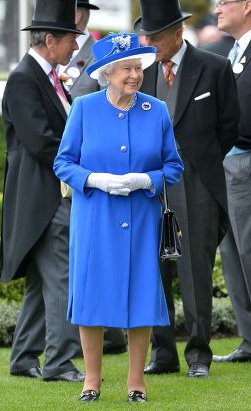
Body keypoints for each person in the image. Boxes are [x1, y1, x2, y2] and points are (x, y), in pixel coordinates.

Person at [53, 32, 184, 402]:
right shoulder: (84, 108)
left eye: (138, 67)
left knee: (141, 298)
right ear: (107, 73)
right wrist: (95, 179)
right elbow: (63, 163)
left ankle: (136, 383)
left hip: (141, 219)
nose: (135, 75)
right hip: (94, 217)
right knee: (92, 298)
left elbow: (174, 166)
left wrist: (147, 179)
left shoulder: (155, 110)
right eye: (126, 68)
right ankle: (91, 381)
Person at [134, 0, 240, 377]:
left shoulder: (214, 67)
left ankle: (198, 357)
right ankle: (163, 355)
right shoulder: (142, 74)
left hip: (197, 183)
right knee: (154, 271)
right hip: (151, 187)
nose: (150, 41)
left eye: (156, 35)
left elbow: (228, 126)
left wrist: (198, 161)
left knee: (195, 273)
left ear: (177, 33)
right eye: (146, 34)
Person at [0, 0, 86, 382]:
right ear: (50, 40)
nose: (76, 46)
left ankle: (23, 358)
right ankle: (59, 362)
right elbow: (41, 142)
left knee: (41, 280)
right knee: (62, 275)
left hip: (45, 196)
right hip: (44, 198)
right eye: (72, 39)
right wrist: (84, 170)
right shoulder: (24, 78)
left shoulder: (44, 77)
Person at [58, 0, 128, 357]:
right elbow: (64, 158)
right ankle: (91, 366)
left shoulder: (97, 44)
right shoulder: (63, 58)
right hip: (87, 185)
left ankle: (117, 337)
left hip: (126, 191)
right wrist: (93, 179)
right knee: (88, 269)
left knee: (120, 267)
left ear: (82, 14)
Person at [210, 0, 251, 364]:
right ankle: (249, 338)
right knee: (232, 253)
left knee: (249, 250)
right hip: (225, 162)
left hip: (246, 161)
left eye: (224, 2)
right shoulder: (230, 51)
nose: (217, 8)